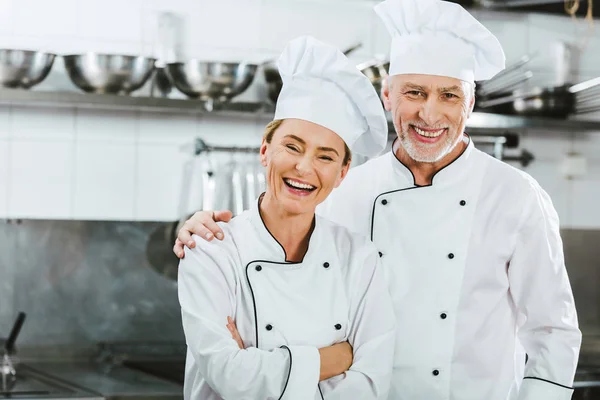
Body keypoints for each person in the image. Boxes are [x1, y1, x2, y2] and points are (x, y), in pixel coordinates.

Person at [175, 0, 582, 399]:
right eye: (415, 92)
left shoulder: (516, 196)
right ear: (388, 95)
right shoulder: (345, 189)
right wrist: (196, 230)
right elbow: (281, 266)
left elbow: (552, 331)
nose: (429, 114)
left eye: (450, 96)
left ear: (471, 103)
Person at [178, 36, 395, 400]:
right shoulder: (211, 248)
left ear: (342, 173)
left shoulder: (358, 257)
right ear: (265, 151)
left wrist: (256, 362)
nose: (304, 167)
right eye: (292, 146)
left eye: (326, 157)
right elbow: (230, 376)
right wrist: (334, 359)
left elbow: (371, 382)